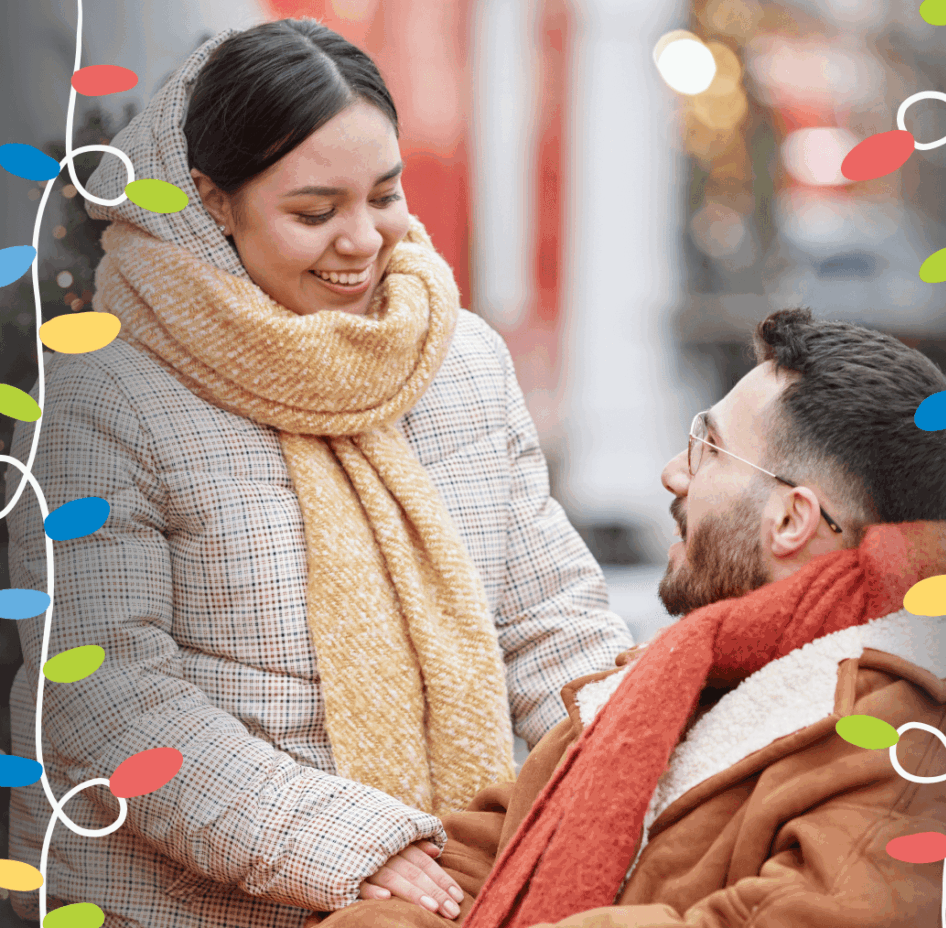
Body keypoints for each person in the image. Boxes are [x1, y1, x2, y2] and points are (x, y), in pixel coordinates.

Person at [4, 20, 634, 928]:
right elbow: (104, 696)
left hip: (449, 882)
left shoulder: (459, 360)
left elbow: (548, 619)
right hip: (174, 905)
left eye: (385, 195)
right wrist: (354, 845)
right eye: (314, 212)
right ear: (213, 200)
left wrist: (643, 757)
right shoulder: (102, 398)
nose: (362, 241)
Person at [309, 309, 946, 928]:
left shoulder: (923, 740)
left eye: (706, 448)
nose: (673, 474)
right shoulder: (698, 665)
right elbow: (483, 856)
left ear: (790, 517)